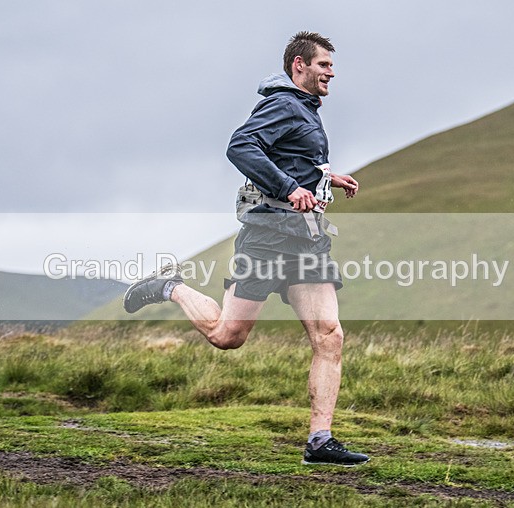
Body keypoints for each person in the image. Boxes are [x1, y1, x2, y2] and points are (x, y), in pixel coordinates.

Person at [124, 31, 368, 467]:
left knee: (330, 335)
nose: (331, 72)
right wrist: (289, 187)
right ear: (299, 65)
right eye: (324, 65)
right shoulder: (283, 104)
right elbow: (241, 146)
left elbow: (290, 158)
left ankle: (320, 441)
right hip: (267, 237)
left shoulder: (306, 109)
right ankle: (170, 287)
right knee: (228, 336)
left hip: (308, 239)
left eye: (332, 65)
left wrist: (325, 179)